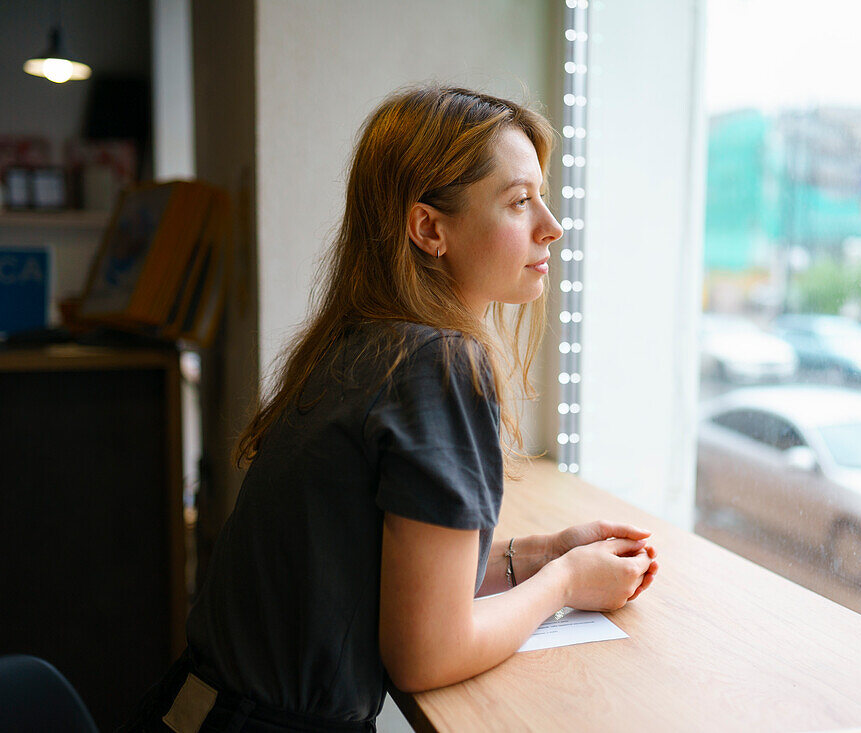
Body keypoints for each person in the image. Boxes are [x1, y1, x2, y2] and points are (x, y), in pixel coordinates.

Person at [124, 85, 658, 732]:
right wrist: (567, 582)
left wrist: (541, 552)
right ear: (429, 228)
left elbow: (377, 565)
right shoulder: (437, 363)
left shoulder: (364, 341)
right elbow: (428, 652)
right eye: (520, 201)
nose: (552, 223)